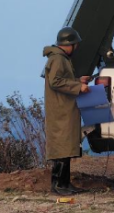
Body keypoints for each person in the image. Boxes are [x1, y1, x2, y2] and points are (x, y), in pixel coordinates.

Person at [43, 26, 91, 195]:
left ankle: (65, 184)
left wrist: (78, 80)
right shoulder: (58, 59)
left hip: (64, 110)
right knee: (61, 147)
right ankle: (58, 185)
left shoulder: (60, 58)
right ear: (69, 44)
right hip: (60, 111)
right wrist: (78, 87)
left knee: (66, 147)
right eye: (75, 44)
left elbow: (62, 79)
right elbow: (55, 81)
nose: (76, 48)